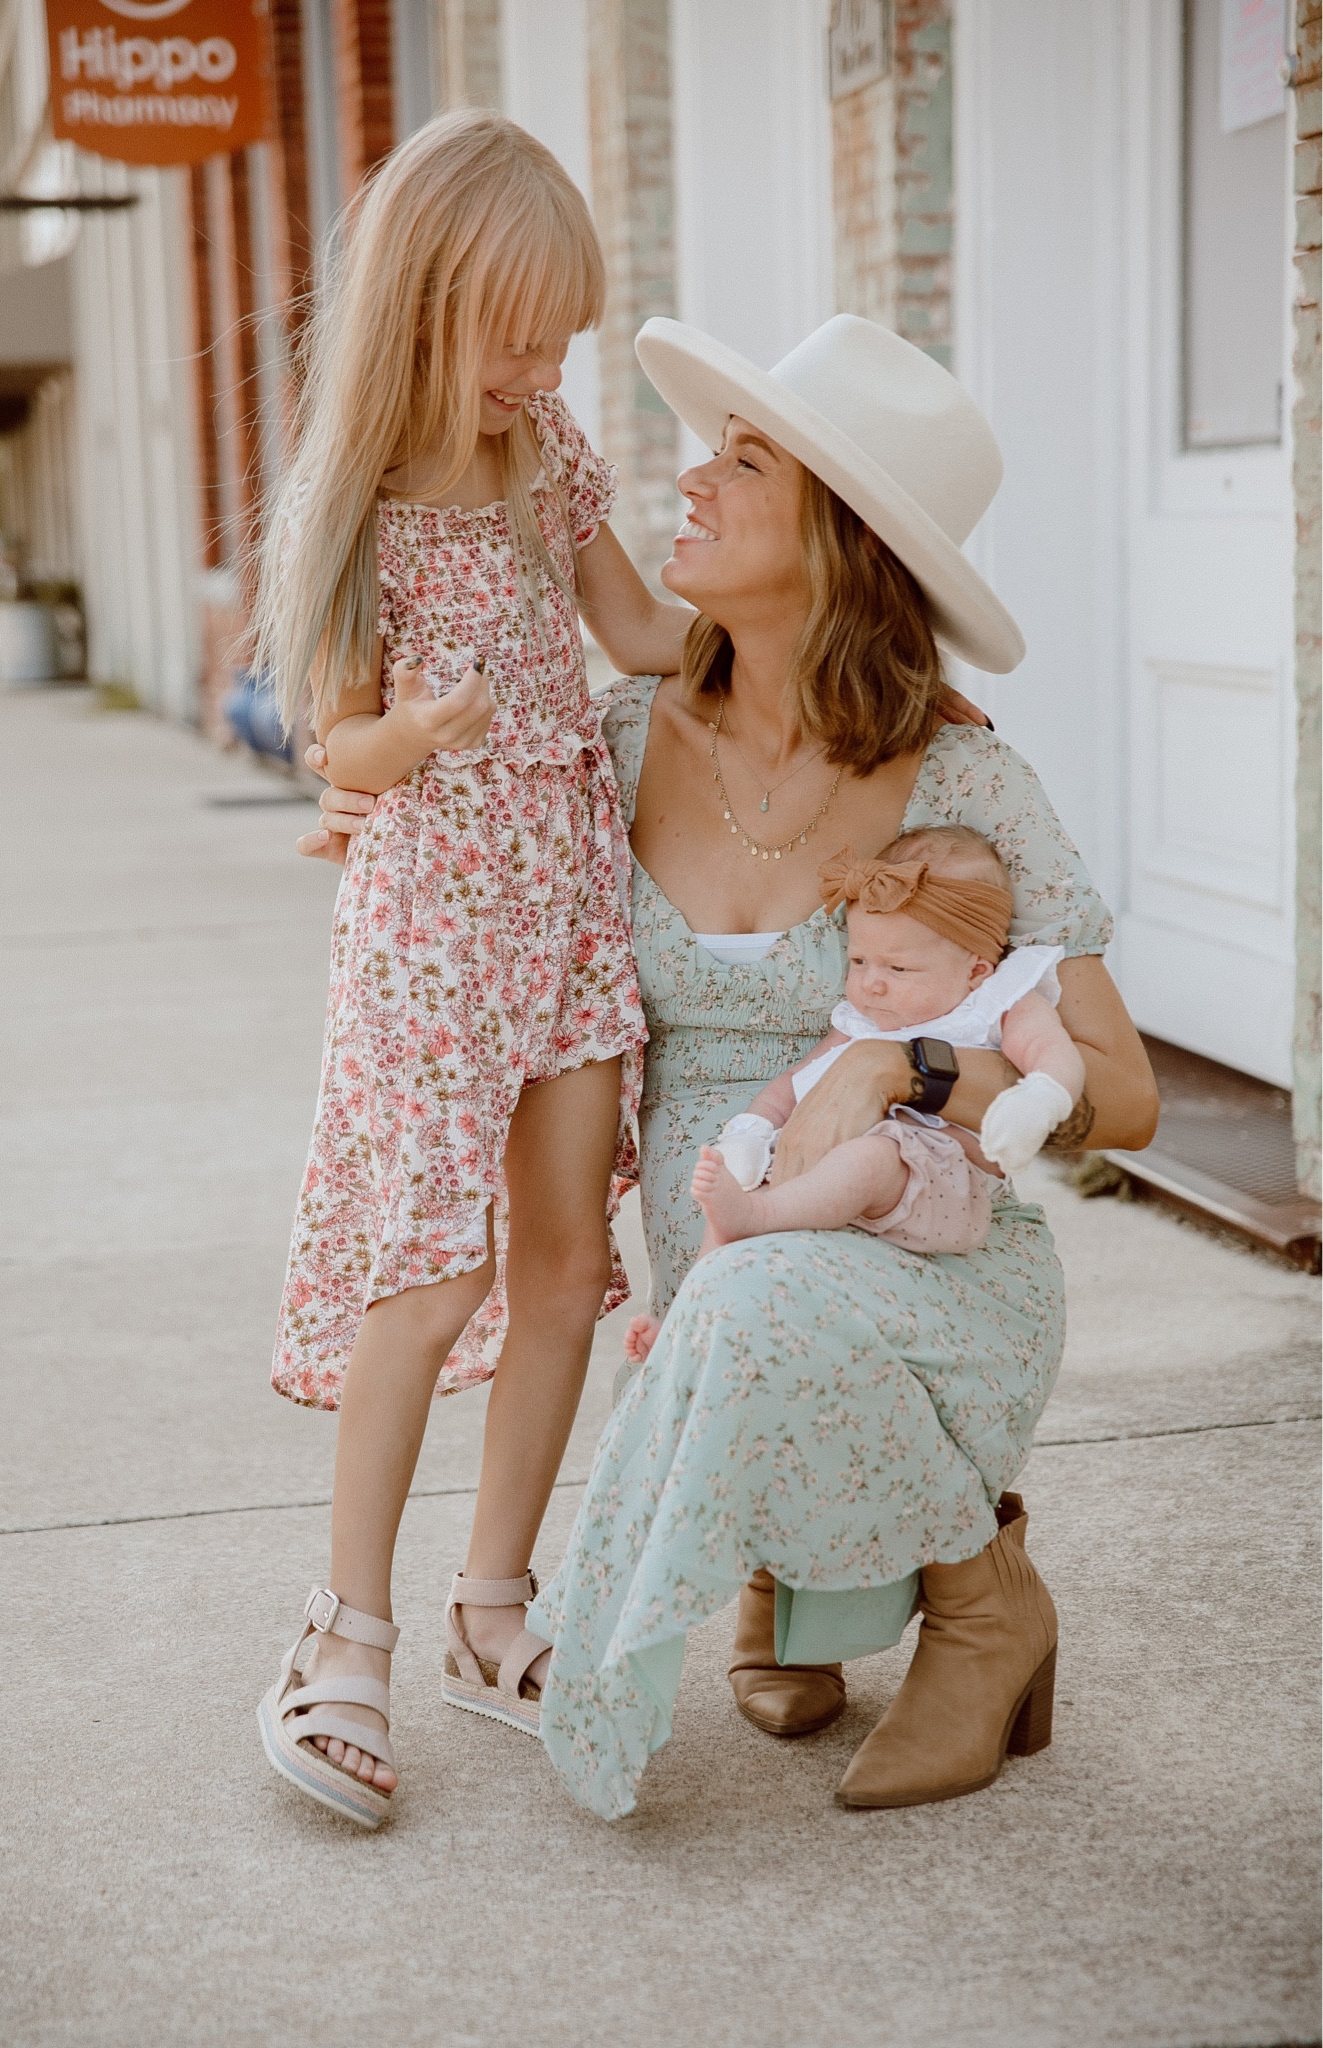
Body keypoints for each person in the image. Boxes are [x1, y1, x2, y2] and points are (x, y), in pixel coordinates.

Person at [303, 311, 1158, 1825]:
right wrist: (370, 802)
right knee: (726, 1280)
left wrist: (910, 1077)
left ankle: (980, 1598)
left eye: (742, 461)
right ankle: (792, 1568)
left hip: (926, 1275)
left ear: (841, 538)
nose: (688, 479)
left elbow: (1128, 1093)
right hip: (731, 1283)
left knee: (745, 1285)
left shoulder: (961, 777)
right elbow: (447, 853)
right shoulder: (615, 741)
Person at [252, 110, 692, 1829]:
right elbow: (333, 749)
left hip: (569, 899)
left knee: (570, 1254)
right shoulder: (357, 494)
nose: (541, 364)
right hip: (436, 928)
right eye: (517, 333)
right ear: (424, 303)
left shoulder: (554, 453)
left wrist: (813, 611)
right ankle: (340, 1627)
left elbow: (642, 630)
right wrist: (405, 733)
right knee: (432, 1269)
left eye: (561, 335)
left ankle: (490, 1604)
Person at [621, 825, 1085, 1359]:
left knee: (873, 1156)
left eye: (899, 967)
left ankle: (762, 1219)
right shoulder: (861, 1018)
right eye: (860, 961)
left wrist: (1037, 1101)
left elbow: (1056, 1057)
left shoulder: (998, 1000)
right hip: (827, 1172)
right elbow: (791, 1087)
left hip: (935, 1182)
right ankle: (685, 1323)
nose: (872, 983)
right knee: (730, 1204)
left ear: (976, 969)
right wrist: (749, 1133)